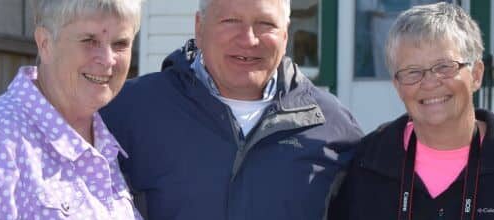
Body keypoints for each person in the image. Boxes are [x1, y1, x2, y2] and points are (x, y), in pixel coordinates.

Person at [100, 0, 364, 219]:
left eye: (266, 24)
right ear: (199, 28)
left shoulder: (333, 126)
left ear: (285, 36)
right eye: (230, 21)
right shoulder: (127, 111)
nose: (248, 39)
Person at [328, 2, 494, 220]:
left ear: (476, 74)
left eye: (444, 67)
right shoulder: (364, 165)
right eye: (412, 72)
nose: (429, 82)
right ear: (397, 86)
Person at [0, 0, 143, 219]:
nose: (108, 60)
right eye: (89, 40)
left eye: (120, 43)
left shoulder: (101, 143)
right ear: (45, 43)